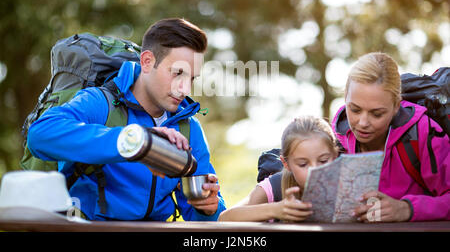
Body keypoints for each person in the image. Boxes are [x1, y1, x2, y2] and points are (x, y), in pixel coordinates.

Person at [27, 18, 226, 221]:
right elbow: (39, 135)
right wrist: (135, 141)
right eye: (177, 74)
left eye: (191, 78)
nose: (184, 89)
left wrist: (208, 208)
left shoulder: (189, 129)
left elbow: (204, 220)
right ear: (147, 61)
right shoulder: (101, 103)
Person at [332, 52, 450, 222]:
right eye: (355, 110)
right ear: (345, 98)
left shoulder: (423, 133)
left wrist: (407, 209)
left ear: (396, 106)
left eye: (377, 113)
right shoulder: (335, 139)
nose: (363, 122)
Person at [218, 116, 339, 222]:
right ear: (286, 164)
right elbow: (224, 219)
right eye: (303, 164)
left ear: (335, 156)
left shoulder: (349, 183)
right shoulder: (273, 187)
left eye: (323, 161)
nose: (314, 170)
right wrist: (275, 209)